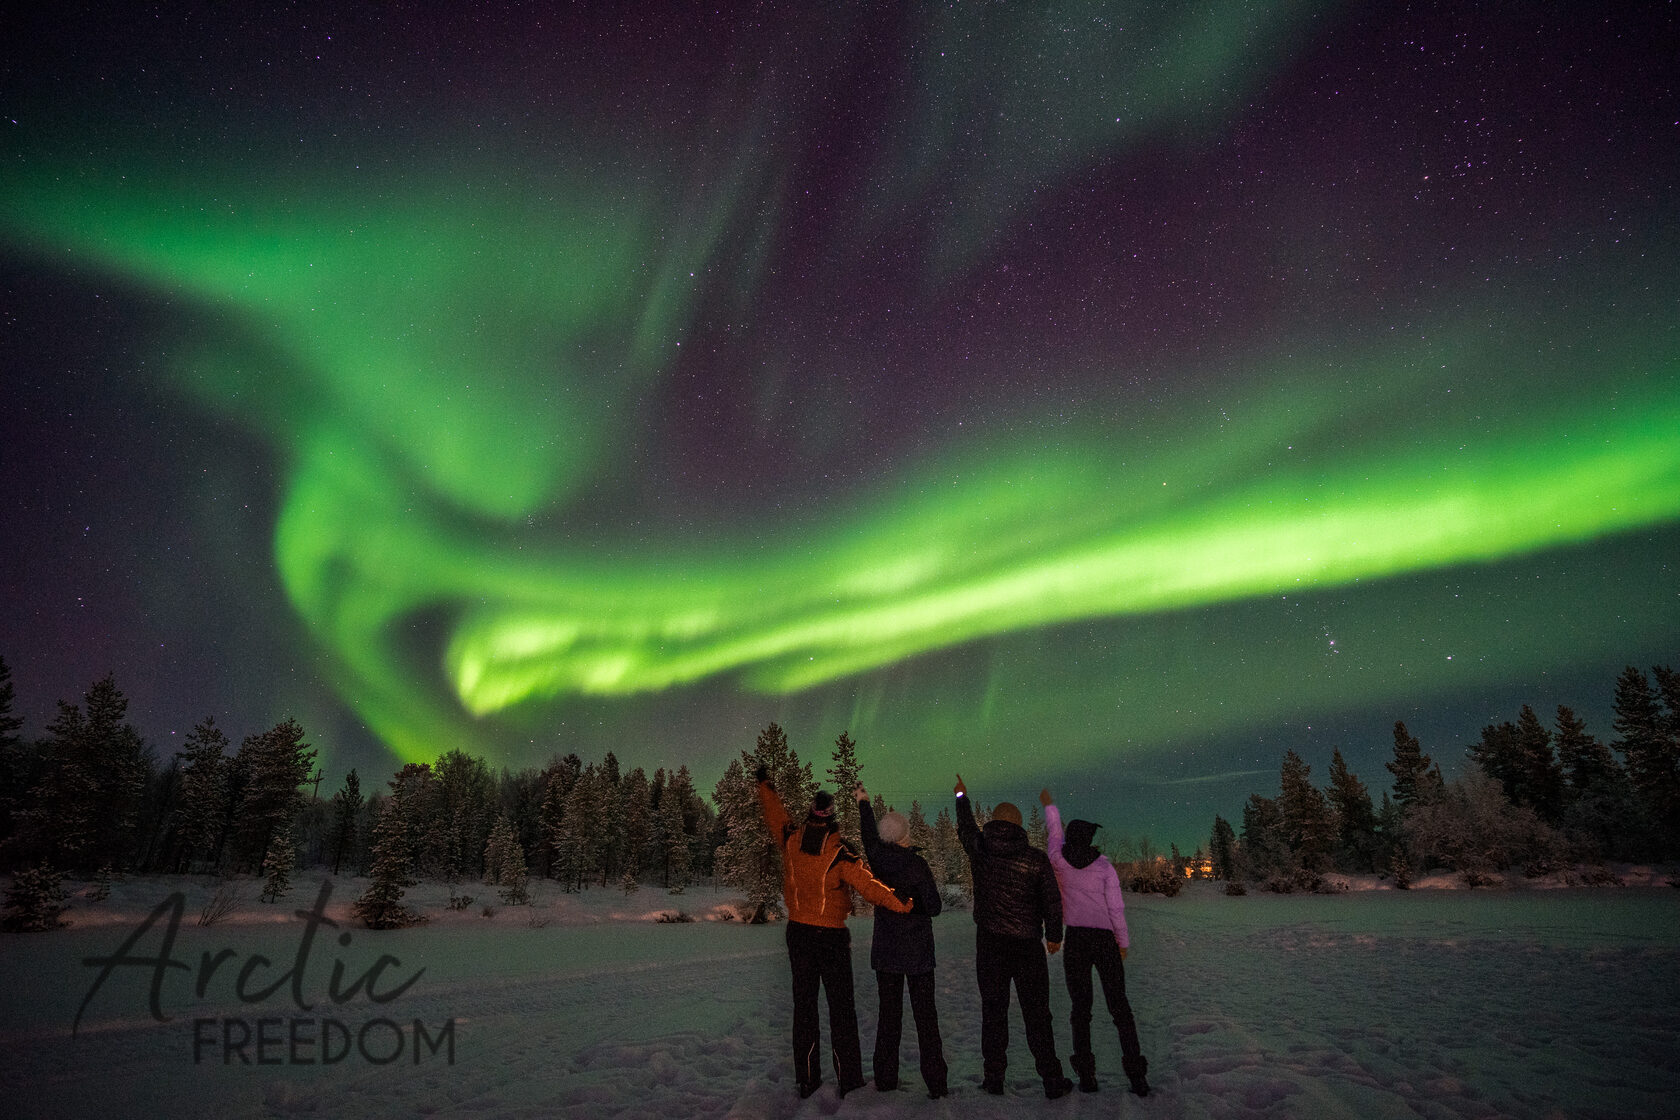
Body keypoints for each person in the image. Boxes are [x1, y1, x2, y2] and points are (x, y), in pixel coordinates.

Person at [757, 767, 913, 1100]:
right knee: (841, 1009)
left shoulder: (791, 839)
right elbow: (868, 885)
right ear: (831, 817)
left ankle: (808, 1079)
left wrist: (765, 787)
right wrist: (900, 902)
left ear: (810, 813)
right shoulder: (840, 851)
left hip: (798, 933)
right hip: (830, 938)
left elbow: (775, 815)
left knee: (804, 1008)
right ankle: (849, 1080)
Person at [953, 773, 1074, 1098]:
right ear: (1019, 825)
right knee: (1038, 1013)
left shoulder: (981, 850)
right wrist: (1054, 935)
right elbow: (1051, 898)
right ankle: (1051, 1079)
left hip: (990, 944)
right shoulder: (1035, 859)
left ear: (993, 822)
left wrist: (962, 796)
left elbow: (965, 829)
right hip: (1026, 946)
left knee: (994, 1011)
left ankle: (994, 1079)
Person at [1040, 787, 1150, 1096]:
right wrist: (1123, 942)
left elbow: (1053, 835)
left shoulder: (1058, 860)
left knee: (1081, 1008)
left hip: (1076, 940)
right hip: (1105, 941)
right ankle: (1136, 1076)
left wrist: (1050, 807)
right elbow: (1116, 908)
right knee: (1120, 1007)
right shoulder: (1104, 867)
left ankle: (1087, 1076)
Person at [854, 784, 949, 1099]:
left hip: (886, 953)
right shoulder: (916, 865)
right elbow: (934, 906)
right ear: (905, 834)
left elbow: (868, 836)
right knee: (926, 1020)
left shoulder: (878, 859)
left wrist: (863, 803)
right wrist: (913, 904)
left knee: (888, 1018)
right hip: (918, 954)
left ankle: (884, 1079)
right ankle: (936, 1082)